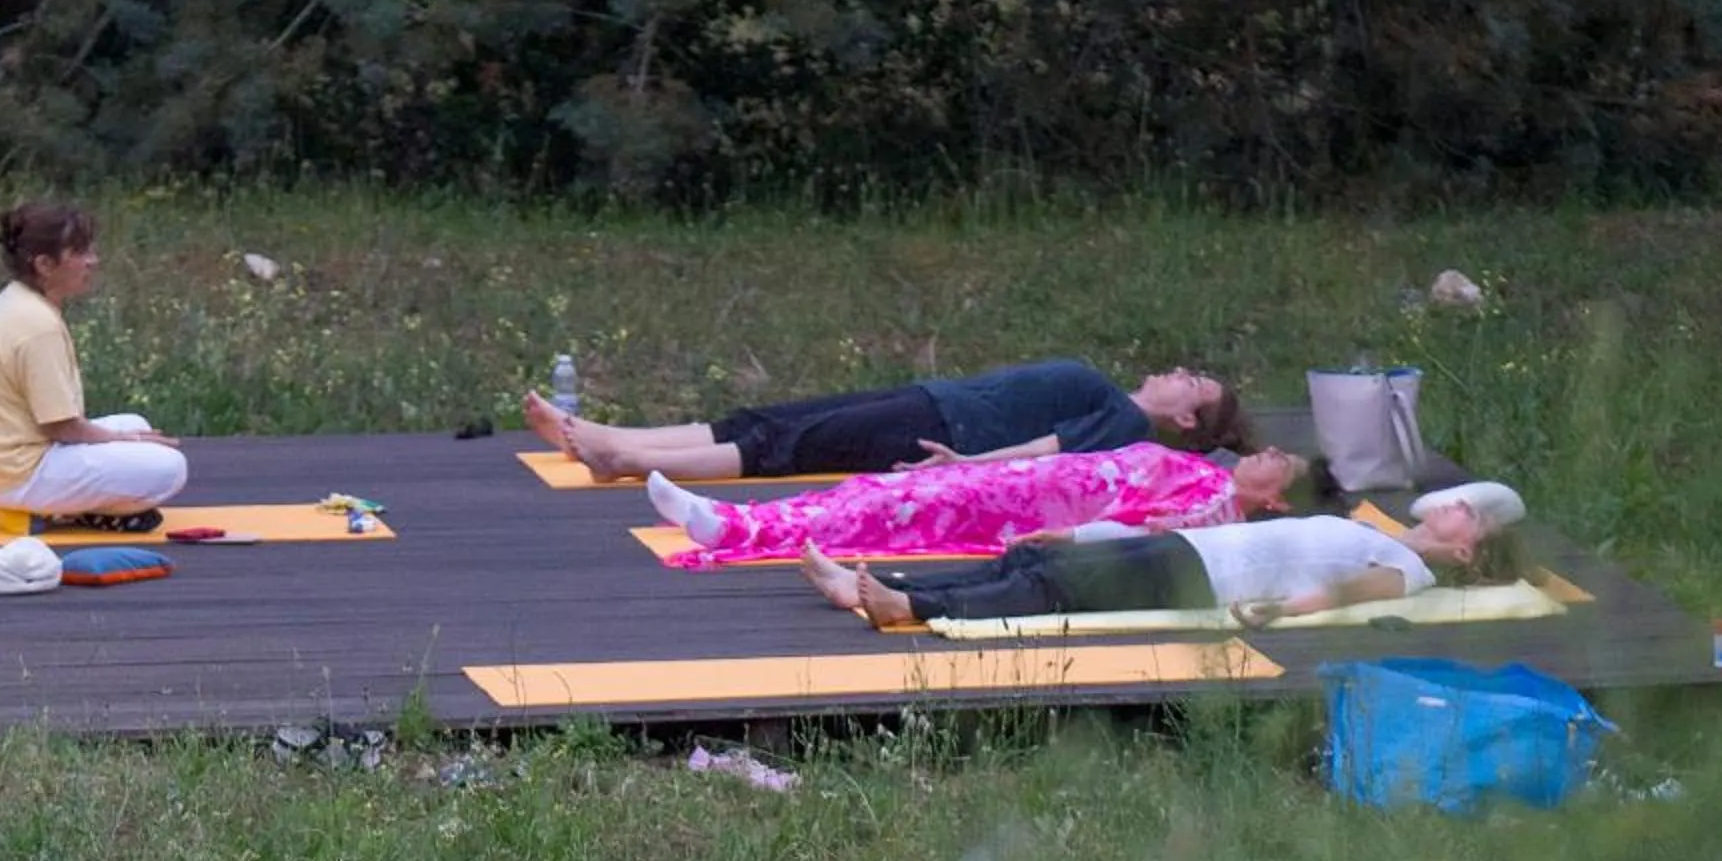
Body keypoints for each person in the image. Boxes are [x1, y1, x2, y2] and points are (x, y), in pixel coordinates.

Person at [804, 480, 1527, 629]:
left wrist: (1279, 610)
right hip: (1194, 550)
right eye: (1466, 500)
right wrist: (1092, 531)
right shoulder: (1375, 529)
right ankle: (878, 587)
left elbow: (1351, 597)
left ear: (1467, 551)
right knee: (1028, 561)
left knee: (1052, 585)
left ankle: (909, 607)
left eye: (1473, 518)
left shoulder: (1411, 569)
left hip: (1205, 579)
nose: (1456, 506)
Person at [526, 357, 1243, 482]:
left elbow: (1048, 450)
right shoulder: (1113, 397)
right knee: (767, 418)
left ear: (1187, 420)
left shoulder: (1125, 423)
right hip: (931, 400)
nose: (1178, 375)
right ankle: (616, 439)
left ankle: (627, 458)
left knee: (789, 447)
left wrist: (967, 468)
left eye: (1192, 384)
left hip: (940, 431)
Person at [640, 441, 1335, 569]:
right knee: (878, 493)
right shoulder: (1203, 473)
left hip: (1031, 509)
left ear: (1276, 500)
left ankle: (734, 527)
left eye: (1280, 464)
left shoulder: (1216, 508)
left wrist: (1066, 538)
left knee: (888, 515)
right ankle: (744, 520)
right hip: (1030, 481)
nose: (1265, 455)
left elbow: (1138, 527)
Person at [0, 202, 188, 529]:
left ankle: (65, 506)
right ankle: (59, 508)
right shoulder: (36, 326)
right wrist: (127, 442)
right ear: (45, 265)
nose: (93, 261)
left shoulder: (17, 302)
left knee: (135, 422)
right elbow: (61, 427)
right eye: (79, 252)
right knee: (170, 467)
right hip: (20, 474)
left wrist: (126, 436)